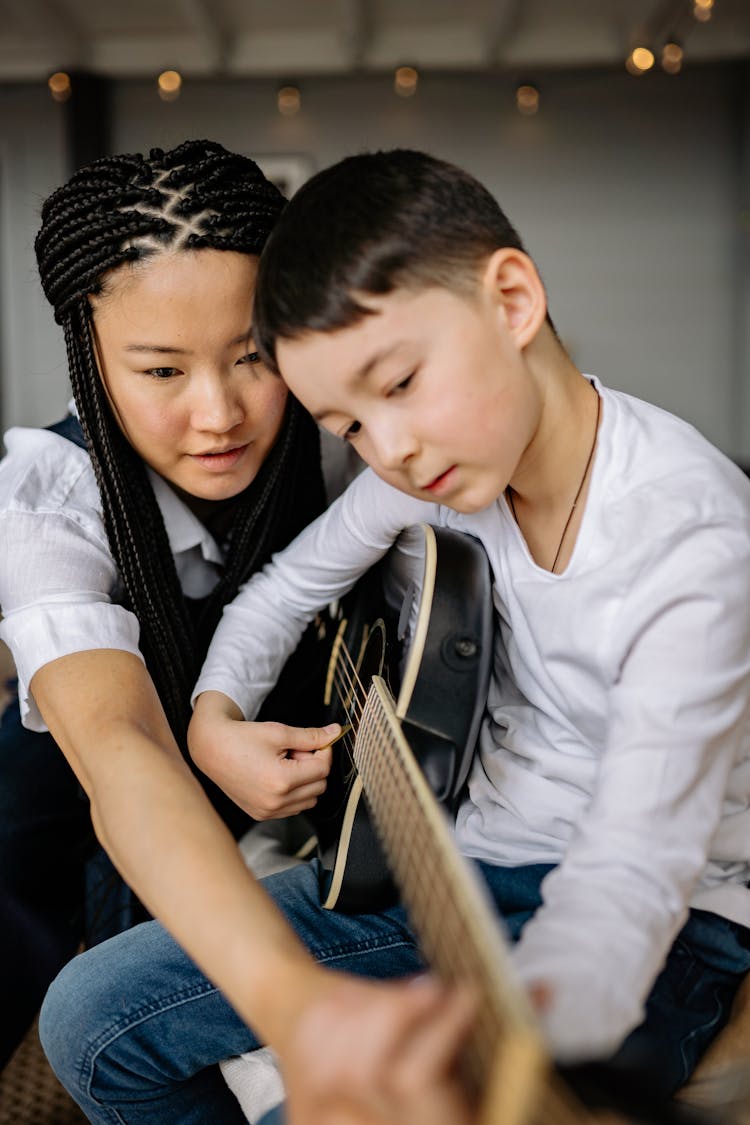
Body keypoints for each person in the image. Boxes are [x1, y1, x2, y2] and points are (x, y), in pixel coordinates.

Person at [40, 149, 750, 1124]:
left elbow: (628, 879)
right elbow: (281, 592)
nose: (391, 451)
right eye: (350, 425)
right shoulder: (439, 464)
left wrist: (479, 1047)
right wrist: (216, 714)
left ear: (511, 300)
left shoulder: (694, 544)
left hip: (662, 922)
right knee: (86, 1019)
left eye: (402, 384)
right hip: (464, 865)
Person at [0, 138, 340, 1069]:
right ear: (90, 360)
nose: (220, 412)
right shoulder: (49, 495)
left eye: (252, 355)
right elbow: (122, 748)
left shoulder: (345, 432)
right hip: (61, 794)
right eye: (160, 371)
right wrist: (291, 1002)